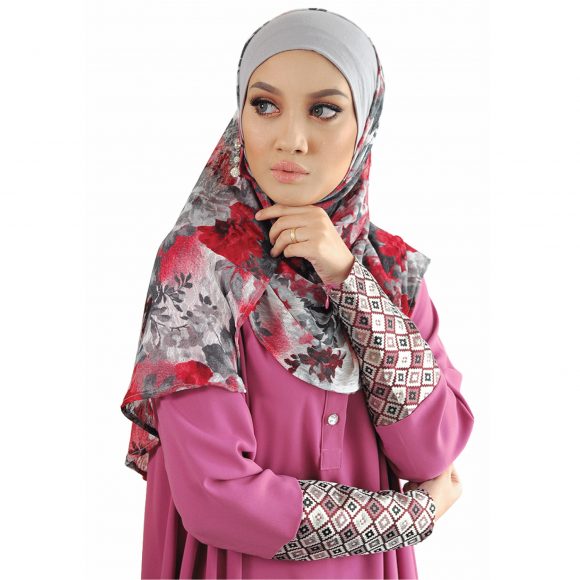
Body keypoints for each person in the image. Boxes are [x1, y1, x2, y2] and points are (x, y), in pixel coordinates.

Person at [120, 8, 475, 579]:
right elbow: (217, 499)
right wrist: (414, 514)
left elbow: (432, 451)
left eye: (324, 109)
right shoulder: (200, 268)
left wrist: (347, 278)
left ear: (366, 124)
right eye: (264, 105)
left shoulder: (391, 270)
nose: (291, 139)